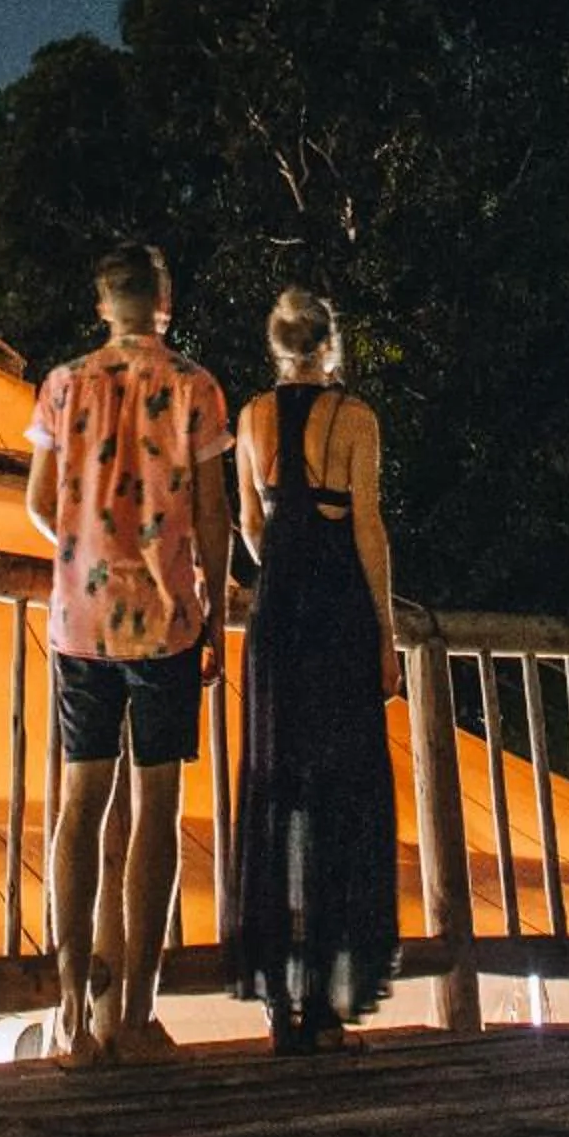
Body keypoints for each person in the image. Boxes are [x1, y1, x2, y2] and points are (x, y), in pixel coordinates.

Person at [25, 240, 232, 1065]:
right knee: (155, 812)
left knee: (81, 808)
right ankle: (138, 1017)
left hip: (80, 619)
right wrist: (211, 606)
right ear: (166, 300)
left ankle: (74, 1019)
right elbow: (212, 515)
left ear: (103, 304)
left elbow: (40, 500)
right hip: (165, 621)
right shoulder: (194, 387)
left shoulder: (64, 384)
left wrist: (82, 543)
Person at [228, 285, 401, 1053]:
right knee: (339, 799)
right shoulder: (355, 418)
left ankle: (278, 1006)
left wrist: (281, 563)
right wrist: (386, 634)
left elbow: (251, 525)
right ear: (330, 346)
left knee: (278, 798)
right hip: (337, 613)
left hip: (278, 615)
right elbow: (366, 523)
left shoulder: (252, 418)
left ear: (276, 347)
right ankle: (327, 1008)